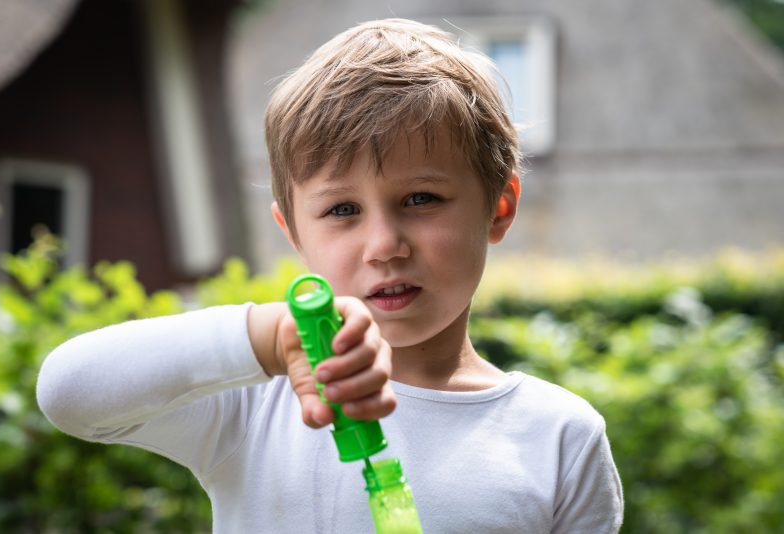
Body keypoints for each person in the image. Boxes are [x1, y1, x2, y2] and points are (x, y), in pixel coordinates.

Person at [37, 18, 623, 533]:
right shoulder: (255, 404)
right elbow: (69, 393)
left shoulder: (559, 437)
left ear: (499, 207)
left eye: (421, 198)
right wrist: (270, 339)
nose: (384, 245)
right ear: (294, 233)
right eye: (342, 210)